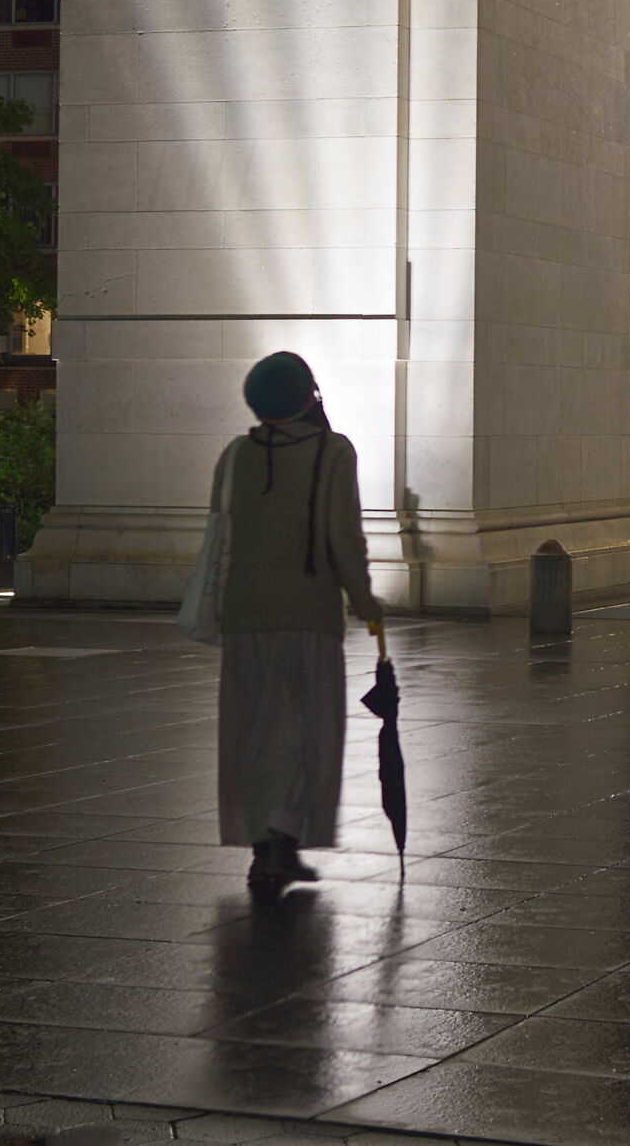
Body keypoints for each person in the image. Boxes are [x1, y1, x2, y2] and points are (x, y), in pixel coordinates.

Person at [211, 352, 382, 890]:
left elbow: (223, 535)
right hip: (308, 613)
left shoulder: (236, 454)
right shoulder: (333, 452)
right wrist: (365, 601)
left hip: (243, 615)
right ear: (308, 395)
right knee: (306, 730)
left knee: (254, 731)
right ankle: (283, 841)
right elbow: (343, 538)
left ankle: (264, 844)